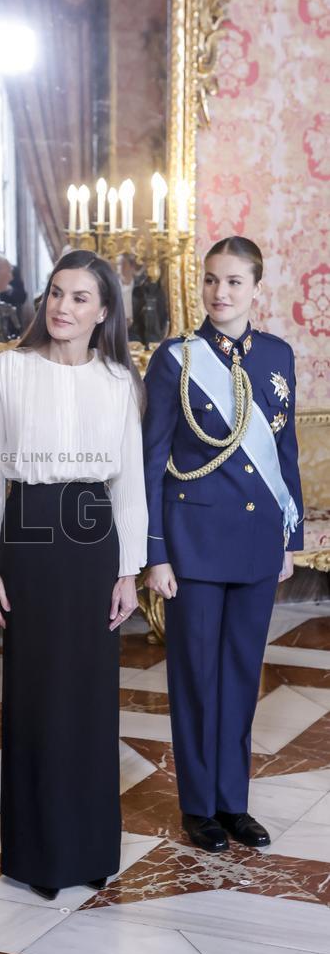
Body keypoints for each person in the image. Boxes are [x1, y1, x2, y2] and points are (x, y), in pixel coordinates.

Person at [0, 249, 147, 898]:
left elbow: (129, 481)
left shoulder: (118, 380)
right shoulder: (10, 369)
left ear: (103, 311)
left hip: (95, 535)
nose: (62, 307)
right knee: (36, 693)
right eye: (55, 293)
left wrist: (128, 570)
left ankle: (90, 848)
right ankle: (37, 855)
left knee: (91, 698)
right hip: (31, 531)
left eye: (78, 298)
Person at [142, 236, 303, 854]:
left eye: (234, 282)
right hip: (195, 544)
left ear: (256, 288)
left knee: (240, 675)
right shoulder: (175, 359)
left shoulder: (277, 355)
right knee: (196, 678)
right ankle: (199, 806)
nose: (220, 292)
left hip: (259, 540)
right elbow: (153, 459)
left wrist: (289, 539)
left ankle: (234, 802)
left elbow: (283, 452)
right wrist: (156, 551)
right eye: (211, 279)